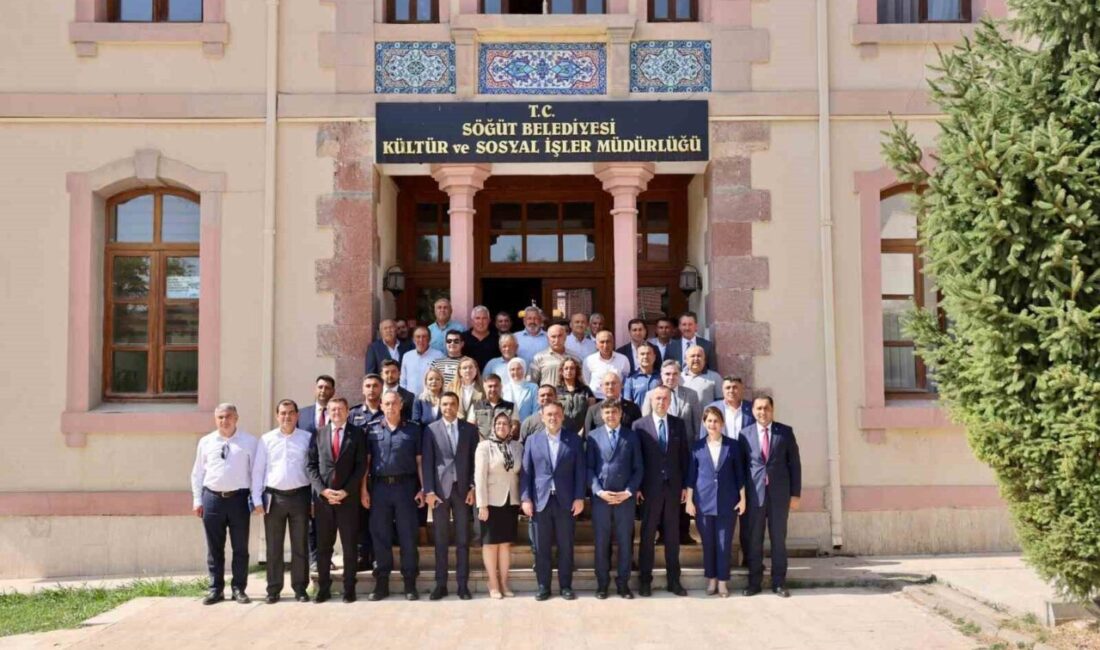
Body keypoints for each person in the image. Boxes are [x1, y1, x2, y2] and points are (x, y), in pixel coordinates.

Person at [190, 403, 264, 605]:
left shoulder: (249, 441)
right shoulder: (206, 442)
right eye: (220, 417)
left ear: (236, 418)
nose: (225, 421)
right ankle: (216, 589)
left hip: (239, 500)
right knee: (215, 548)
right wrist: (197, 500)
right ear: (216, 420)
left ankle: (239, 588)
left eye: (228, 416)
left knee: (240, 548)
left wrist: (256, 499)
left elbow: (256, 473)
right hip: (212, 499)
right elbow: (198, 473)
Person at [362, 391, 426, 601]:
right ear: (381, 406)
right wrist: (364, 489)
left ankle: (410, 583)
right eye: (387, 404)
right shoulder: (371, 429)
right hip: (379, 488)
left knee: (408, 535)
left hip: (406, 488)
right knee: (380, 535)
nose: (391, 407)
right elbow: (367, 463)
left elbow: (419, 462)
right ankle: (381, 583)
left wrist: (423, 488)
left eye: (394, 403)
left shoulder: (413, 429)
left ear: (401, 405)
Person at [520, 401, 586, 601]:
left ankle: (565, 586)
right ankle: (543, 586)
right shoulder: (532, 440)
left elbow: (580, 472)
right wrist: (526, 498)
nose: (553, 418)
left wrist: (579, 497)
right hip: (540, 501)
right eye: (549, 414)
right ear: (542, 416)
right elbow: (526, 472)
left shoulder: (574, 440)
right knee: (541, 547)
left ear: (562, 416)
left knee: (566, 546)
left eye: (557, 414)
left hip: (566, 501)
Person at [740, 396, 801, 598]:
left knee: (778, 540)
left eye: (766, 408)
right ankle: (754, 583)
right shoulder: (745, 434)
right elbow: (742, 467)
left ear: (772, 409)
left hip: (779, 495)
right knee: (754, 540)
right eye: (758, 408)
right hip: (754, 495)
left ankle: (779, 583)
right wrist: (741, 496)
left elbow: (794, 464)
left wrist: (795, 494)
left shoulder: (785, 432)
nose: (762, 412)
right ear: (753, 411)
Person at [306, 397, 366, 603]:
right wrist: (323, 491)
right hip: (324, 502)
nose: (336, 412)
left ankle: (349, 588)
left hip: (348, 500)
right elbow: (311, 466)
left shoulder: (357, 434)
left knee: (349, 547)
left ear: (347, 411)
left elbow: (360, 466)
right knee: (324, 547)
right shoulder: (318, 434)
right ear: (328, 412)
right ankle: (324, 588)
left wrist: (346, 491)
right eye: (333, 409)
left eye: (340, 409)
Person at [634, 386, 690, 597]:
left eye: (665, 398)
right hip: (649, 489)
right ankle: (645, 581)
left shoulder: (678, 424)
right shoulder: (639, 425)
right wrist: (638, 486)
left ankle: (674, 580)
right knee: (647, 535)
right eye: (658, 398)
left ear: (670, 401)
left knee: (672, 536)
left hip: (673, 489)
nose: (661, 402)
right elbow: (637, 459)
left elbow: (684, 456)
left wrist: (685, 485)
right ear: (651, 400)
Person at [422, 392, 479, 601]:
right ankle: (441, 584)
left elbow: (475, 461)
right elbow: (427, 461)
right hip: (439, 492)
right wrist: (429, 491)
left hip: (463, 491)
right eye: (445, 404)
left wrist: (473, 487)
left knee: (463, 539)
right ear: (440, 405)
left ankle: (463, 585)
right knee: (441, 540)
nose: (448, 407)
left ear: (457, 406)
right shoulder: (431, 429)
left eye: (452, 404)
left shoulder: (469, 429)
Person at [258, 399, 315, 604]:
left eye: (291, 413)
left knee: (300, 544)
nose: (287, 417)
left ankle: (300, 588)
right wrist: (256, 499)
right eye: (283, 413)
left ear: (297, 415)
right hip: (274, 498)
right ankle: (273, 589)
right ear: (277, 416)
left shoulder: (306, 438)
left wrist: (313, 500)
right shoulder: (266, 440)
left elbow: (312, 470)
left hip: (300, 496)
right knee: (274, 546)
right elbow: (258, 471)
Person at [686, 406, 746, 598]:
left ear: (722, 423)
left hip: (728, 502)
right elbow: (691, 476)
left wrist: (743, 499)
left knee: (724, 543)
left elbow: (740, 474)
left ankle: (722, 582)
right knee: (708, 544)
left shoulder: (733, 446)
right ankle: (711, 579)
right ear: (704, 423)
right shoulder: (697, 446)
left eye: (716, 421)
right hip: (703, 502)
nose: (713, 424)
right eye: (709, 421)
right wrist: (689, 501)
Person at [587, 400, 644, 599]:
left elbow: (639, 468)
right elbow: (589, 468)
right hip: (601, 499)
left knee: (625, 543)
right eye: (607, 413)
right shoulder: (593, 436)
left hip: (624, 499)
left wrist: (629, 491)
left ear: (620, 414)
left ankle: (623, 584)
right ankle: (602, 584)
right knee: (601, 542)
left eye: (614, 412)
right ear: (601, 416)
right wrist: (598, 491)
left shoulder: (632, 436)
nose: (610, 416)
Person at [475, 412, 524, 599]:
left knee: (505, 545)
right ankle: (493, 582)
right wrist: (482, 504)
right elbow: (479, 477)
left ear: (511, 427)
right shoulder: (484, 447)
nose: (501, 427)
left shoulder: (517, 446)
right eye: (498, 424)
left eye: (505, 424)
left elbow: (520, 472)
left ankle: (504, 582)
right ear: (493, 427)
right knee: (490, 544)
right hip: (491, 502)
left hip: (511, 501)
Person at [298, 374, 334, 570]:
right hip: (307, 473)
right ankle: (313, 559)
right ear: (315, 389)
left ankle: (326, 557)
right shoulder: (302, 414)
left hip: (330, 473)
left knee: (328, 520)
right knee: (311, 519)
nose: (323, 391)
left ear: (333, 391)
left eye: (327, 388)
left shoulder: (337, 412)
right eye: (320, 387)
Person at [349, 374, 385, 572]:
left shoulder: (387, 411)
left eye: (375, 386)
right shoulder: (353, 414)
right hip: (358, 474)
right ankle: (362, 556)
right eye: (368, 386)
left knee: (379, 519)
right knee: (359, 519)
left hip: (380, 474)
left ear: (381, 389)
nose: (371, 389)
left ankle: (378, 557)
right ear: (363, 389)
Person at [643, 360, 702, 441]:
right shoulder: (651, 395)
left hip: (686, 444)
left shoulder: (691, 394)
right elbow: (646, 423)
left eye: (675, 374)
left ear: (680, 375)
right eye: (667, 374)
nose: (671, 377)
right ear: (661, 375)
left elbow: (698, 425)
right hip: (661, 444)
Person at [468, 373, 517, 441]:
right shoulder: (476, 406)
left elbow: (515, 427)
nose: (493, 389)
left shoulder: (511, 407)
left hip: (504, 444)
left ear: (501, 387)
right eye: (490, 386)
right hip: (481, 444)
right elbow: (470, 428)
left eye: (496, 386)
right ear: (484, 387)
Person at [583, 330, 631, 399]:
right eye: (602, 342)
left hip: (616, 399)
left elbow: (626, 382)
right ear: (596, 345)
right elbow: (586, 383)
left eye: (608, 341)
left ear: (613, 343)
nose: (605, 345)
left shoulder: (623, 359)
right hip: (596, 399)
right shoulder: (589, 361)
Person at [556, 356, 595, 435]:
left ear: (576, 371)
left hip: (583, 432)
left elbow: (591, 413)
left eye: (572, 368)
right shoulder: (556, 391)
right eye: (566, 368)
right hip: (561, 432)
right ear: (562, 371)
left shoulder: (586, 390)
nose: (569, 371)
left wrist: (584, 429)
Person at [400, 326, 443, 395]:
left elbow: (443, 380)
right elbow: (403, 381)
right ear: (413, 339)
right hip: (410, 398)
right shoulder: (407, 356)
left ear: (429, 339)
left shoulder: (439, 356)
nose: (421, 340)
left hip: (431, 397)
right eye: (418, 337)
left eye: (424, 337)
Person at [461, 305, 500, 371]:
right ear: (472, 321)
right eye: (477, 318)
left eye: (484, 318)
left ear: (489, 320)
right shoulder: (463, 338)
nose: (481, 322)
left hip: (491, 376)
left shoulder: (497, 339)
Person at [502, 357, 538, 422]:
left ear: (524, 369)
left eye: (519, 369)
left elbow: (536, 410)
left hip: (527, 425)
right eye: (512, 369)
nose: (516, 372)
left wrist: (531, 425)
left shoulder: (533, 388)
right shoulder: (503, 388)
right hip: (508, 426)